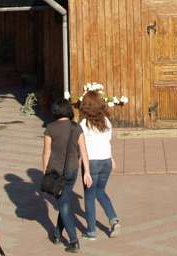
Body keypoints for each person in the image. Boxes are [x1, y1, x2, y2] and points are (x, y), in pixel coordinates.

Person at [42, 96, 91, 253]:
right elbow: (84, 151)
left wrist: (45, 171)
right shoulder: (76, 128)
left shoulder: (50, 128)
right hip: (73, 170)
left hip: (56, 171)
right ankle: (57, 234)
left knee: (63, 205)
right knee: (65, 201)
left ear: (55, 111)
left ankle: (73, 240)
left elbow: (46, 152)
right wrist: (87, 172)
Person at [79, 89, 121, 239]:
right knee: (101, 191)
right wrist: (112, 158)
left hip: (91, 162)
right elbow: (107, 141)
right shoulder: (106, 121)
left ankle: (91, 231)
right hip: (106, 161)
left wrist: (86, 171)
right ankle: (114, 219)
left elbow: (81, 146)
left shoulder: (83, 124)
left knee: (89, 196)